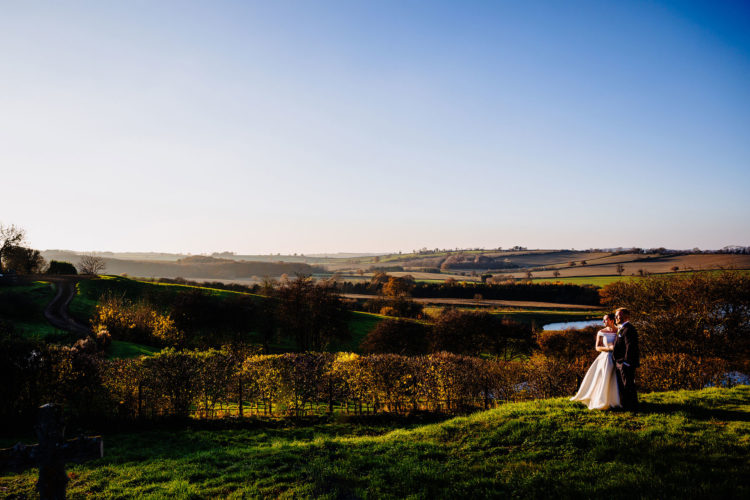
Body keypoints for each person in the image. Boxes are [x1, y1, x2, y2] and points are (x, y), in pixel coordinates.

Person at [570, 313, 621, 410]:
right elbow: (597, 347)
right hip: (606, 358)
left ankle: (616, 400)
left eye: (605, 320)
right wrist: (608, 348)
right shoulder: (601, 332)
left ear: (612, 320)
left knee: (616, 379)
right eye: (603, 320)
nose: (603, 322)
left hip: (618, 358)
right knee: (604, 378)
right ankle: (603, 400)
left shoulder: (619, 331)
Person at [613, 307, 640, 411]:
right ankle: (626, 405)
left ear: (625, 316)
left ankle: (632, 407)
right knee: (623, 385)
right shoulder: (621, 328)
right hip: (620, 362)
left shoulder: (629, 329)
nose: (615, 317)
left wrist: (626, 362)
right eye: (615, 315)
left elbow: (631, 347)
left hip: (626, 363)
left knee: (628, 385)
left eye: (618, 315)